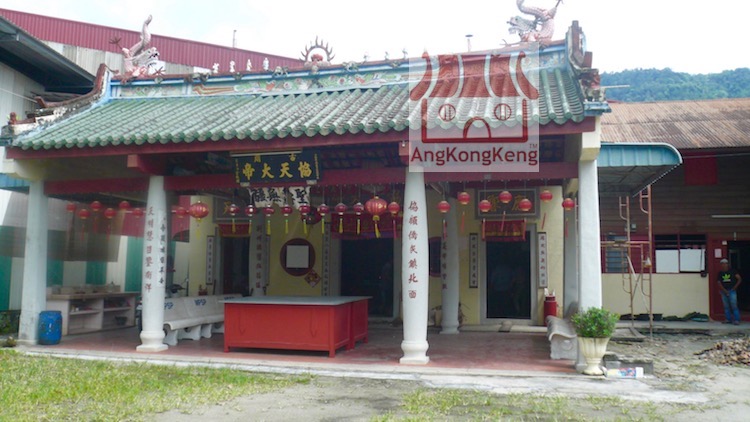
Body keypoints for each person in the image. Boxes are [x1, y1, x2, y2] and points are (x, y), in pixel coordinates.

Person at [718, 259, 742, 325]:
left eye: (725, 263)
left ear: (728, 264)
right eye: (722, 263)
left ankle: (737, 320)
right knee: (726, 306)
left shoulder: (733, 271)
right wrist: (724, 290)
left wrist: (735, 287)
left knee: (734, 305)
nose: (724, 265)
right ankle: (728, 319)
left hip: (732, 290)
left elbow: (739, 279)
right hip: (724, 291)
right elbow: (719, 282)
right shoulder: (720, 273)